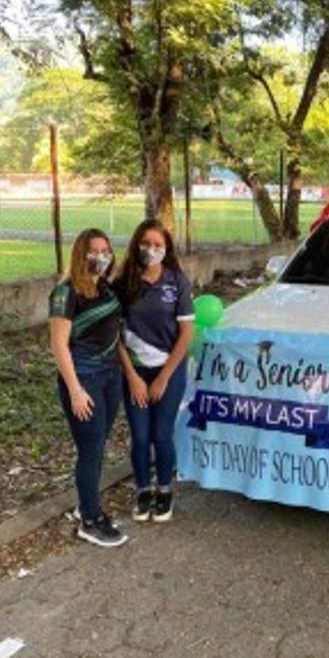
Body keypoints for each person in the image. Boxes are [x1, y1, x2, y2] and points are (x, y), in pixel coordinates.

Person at [49, 229, 127, 547]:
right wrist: (76, 390)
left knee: (97, 446)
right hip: (84, 380)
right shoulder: (65, 293)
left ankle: (86, 506)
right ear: (81, 254)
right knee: (91, 450)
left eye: (106, 250)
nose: (101, 256)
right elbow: (58, 345)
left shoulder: (106, 289)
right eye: (94, 251)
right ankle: (90, 520)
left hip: (111, 377)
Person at [115, 219, 194, 522]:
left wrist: (163, 378)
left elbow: (186, 334)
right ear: (136, 245)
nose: (151, 249)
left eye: (158, 245)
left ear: (167, 249)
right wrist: (133, 377)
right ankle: (143, 491)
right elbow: (115, 337)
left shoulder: (177, 282)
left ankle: (164, 491)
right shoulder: (122, 284)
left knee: (162, 435)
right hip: (134, 373)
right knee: (140, 435)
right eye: (145, 243)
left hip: (169, 372)